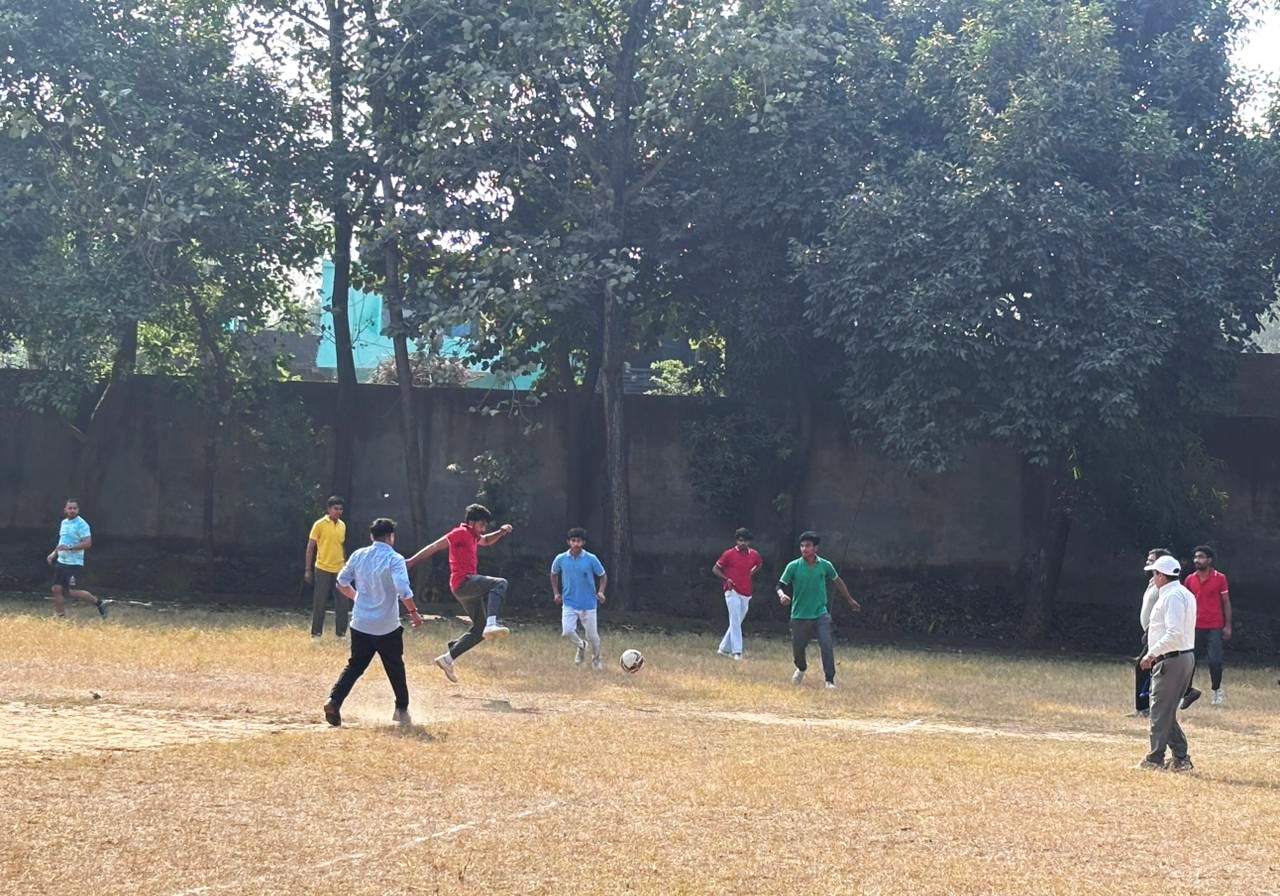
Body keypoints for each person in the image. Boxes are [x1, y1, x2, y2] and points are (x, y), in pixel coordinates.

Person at [323, 517, 423, 727]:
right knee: (395, 668)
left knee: (355, 666)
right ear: (391, 537)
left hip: (360, 623)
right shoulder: (394, 559)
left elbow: (341, 582)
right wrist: (413, 612)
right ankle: (401, 710)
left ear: (371, 536)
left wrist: (357, 597)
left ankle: (334, 700)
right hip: (387, 626)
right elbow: (403, 589)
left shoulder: (358, 555)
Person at [406, 504, 514, 683]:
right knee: (500, 583)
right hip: (464, 582)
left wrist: (501, 532)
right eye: (481, 524)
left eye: (485, 525)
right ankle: (492, 623)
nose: (483, 528)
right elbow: (435, 546)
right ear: (471, 522)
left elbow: (486, 541)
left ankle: (448, 658)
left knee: (479, 631)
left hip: (465, 588)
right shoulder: (460, 532)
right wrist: (412, 561)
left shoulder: (474, 535)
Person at [775, 531, 860, 689]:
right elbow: (779, 585)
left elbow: (837, 581)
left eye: (808, 546)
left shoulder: (825, 565)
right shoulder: (793, 566)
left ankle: (829, 680)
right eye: (802, 546)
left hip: (821, 613)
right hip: (799, 615)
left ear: (816, 548)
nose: (804, 549)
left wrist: (849, 599)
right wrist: (782, 595)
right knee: (798, 649)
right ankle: (801, 668)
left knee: (826, 645)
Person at [1137, 554, 1196, 772]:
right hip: (1181, 657)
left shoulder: (1171, 597)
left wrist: (1151, 654)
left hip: (1171, 659)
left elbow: (1173, 632)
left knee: (1159, 710)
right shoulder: (1185, 593)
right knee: (1165, 710)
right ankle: (1180, 758)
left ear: (1161, 575)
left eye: (1154, 574)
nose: (1153, 578)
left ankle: (1155, 759)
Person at [550, 528, 607, 670]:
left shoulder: (591, 558)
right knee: (567, 631)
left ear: (583, 542)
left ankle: (596, 659)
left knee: (592, 636)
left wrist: (601, 592)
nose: (576, 544)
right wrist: (556, 593)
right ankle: (581, 645)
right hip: (569, 602)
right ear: (568, 542)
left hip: (588, 603)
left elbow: (602, 575)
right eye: (573, 541)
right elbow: (553, 574)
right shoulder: (561, 558)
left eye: (579, 541)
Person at [1183, 545, 1231, 707]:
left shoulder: (1220, 578)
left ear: (1209, 560)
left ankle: (1217, 690)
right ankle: (1186, 692)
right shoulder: (1189, 579)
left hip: (1214, 626)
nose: (1197, 560)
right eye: (1195, 557)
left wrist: (1228, 625)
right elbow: (1185, 603)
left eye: (1201, 557)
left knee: (1215, 660)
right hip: (1194, 626)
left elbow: (1226, 602)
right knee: (1190, 661)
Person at [46, 499, 108, 619]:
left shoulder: (82, 524)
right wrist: (54, 553)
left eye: (74, 508)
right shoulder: (64, 523)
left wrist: (70, 547)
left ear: (78, 510)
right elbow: (62, 541)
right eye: (70, 508)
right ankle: (61, 618)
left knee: (72, 592)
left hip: (74, 563)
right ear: (65, 510)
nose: (72, 510)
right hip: (61, 562)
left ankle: (99, 603)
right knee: (56, 589)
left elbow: (88, 543)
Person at [1131, 548, 1172, 717]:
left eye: (1151, 560)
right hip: (1150, 632)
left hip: (1156, 633)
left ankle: (1144, 708)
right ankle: (1147, 707)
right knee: (1154, 669)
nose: (1147, 563)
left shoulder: (1165, 586)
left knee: (1143, 666)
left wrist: (1151, 630)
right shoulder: (1153, 582)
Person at [714, 528, 762, 661]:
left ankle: (723, 648)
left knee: (737, 621)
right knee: (735, 619)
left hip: (746, 591)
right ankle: (737, 652)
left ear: (749, 542)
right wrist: (726, 579)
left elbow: (759, 564)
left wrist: (750, 573)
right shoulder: (729, 554)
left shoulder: (754, 554)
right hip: (731, 590)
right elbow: (716, 569)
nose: (743, 543)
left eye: (745, 541)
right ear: (736, 541)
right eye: (740, 540)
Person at [305, 496, 349, 639]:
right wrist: (308, 569)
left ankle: (341, 633)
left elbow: (341, 545)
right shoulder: (319, 524)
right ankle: (316, 634)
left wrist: (345, 565)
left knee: (342, 602)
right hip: (322, 567)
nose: (338, 511)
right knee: (320, 602)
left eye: (341, 509)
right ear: (329, 509)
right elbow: (311, 547)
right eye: (335, 509)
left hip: (339, 568)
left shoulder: (342, 525)